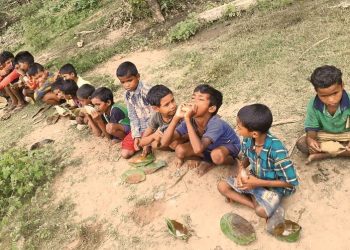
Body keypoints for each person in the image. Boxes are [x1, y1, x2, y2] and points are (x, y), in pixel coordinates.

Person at [217, 104, 299, 223]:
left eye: (239, 127)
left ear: (254, 133)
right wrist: (241, 171)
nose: (236, 129)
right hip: (255, 178)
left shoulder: (277, 151)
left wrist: (256, 183)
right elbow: (246, 157)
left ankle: (257, 200)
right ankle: (255, 201)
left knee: (261, 211)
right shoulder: (248, 139)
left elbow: (291, 183)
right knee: (222, 186)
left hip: (273, 188)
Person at [161, 84, 241, 176]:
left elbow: (198, 149)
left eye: (200, 99)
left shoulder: (216, 123)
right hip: (206, 146)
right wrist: (176, 118)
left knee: (216, 155)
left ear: (211, 108)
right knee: (180, 151)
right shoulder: (191, 120)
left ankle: (226, 161)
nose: (194, 102)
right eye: (193, 98)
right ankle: (208, 159)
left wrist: (187, 119)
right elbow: (164, 142)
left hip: (228, 146)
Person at [296, 65, 350, 163]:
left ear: (342, 85)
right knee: (302, 143)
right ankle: (342, 151)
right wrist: (310, 140)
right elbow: (312, 129)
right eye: (324, 96)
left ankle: (324, 155)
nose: (331, 100)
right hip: (325, 135)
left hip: (346, 134)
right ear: (316, 91)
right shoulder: (313, 104)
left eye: (335, 93)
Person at [116, 61, 153, 158]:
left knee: (156, 144)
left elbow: (156, 115)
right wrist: (136, 135)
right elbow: (132, 116)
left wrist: (146, 137)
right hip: (140, 127)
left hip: (153, 127)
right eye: (123, 82)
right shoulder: (127, 95)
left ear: (138, 77)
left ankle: (148, 144)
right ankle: (143, 143)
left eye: (129, 80)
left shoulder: (147, 91)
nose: (126, 85)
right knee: (125, 154)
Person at [139, 85, 182, 150]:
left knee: (173, 143)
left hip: (181, 138)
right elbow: (142, 142)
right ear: (156, 108)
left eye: (172, 100)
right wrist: (153, 136)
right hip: (168, 142)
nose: (172, 106)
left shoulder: (180, 112)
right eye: (166, 105)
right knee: (155, 144)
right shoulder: (156, 117)